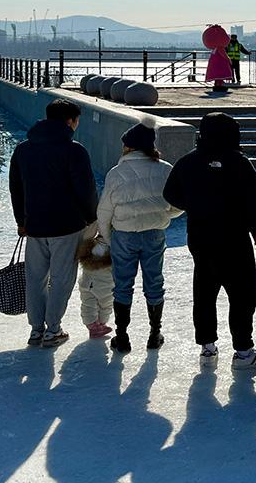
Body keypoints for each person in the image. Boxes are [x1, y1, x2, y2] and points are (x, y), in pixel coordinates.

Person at [163, 112, 256, 370]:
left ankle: (207, 348)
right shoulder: (239, 162)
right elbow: (254, 199)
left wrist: (193, 205)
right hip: (234, 239)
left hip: (200, 238)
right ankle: (244, 352)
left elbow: (170, 193)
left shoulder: (188, 162)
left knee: (204, 292)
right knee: (242, 294)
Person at [9, 98, 99, 348]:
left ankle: (36, 329)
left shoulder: (23, 149)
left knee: (35, 277)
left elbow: (16, 188)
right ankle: (53, 329)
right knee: (62, 278)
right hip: (66, 225)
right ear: (70, 121)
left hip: (34, 224)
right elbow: (86, 189)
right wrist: (92, 217)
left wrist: (21, 220)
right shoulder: (74, 150)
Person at [97, 123, 178, 352]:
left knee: (122, 285)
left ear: (129, 147)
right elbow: (178, 202)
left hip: (124, 234)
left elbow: (104, 211)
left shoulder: (117, 173)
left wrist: (108, 237)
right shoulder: (165, 169)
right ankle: (154, 333)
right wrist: (164, 215)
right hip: (154, 233)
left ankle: (122, 336)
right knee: (154, 283)